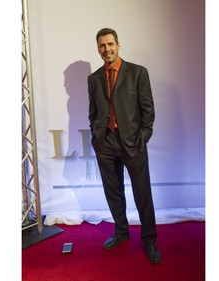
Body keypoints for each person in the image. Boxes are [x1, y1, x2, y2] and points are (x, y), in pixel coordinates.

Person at [88, 28, 161, 264]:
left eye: (110, 44)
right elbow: (93, 113)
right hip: (105, 143)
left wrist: (143, 138)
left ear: (118, 45)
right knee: (114, 192)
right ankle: (121, 232)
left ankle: (149, 240)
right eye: (101, 45)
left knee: (142, 193)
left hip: (132, 143)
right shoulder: (94, 78)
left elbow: (147, 110)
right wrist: (97, 138)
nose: (106, 49)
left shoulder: (138, 73)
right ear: (98, 49)